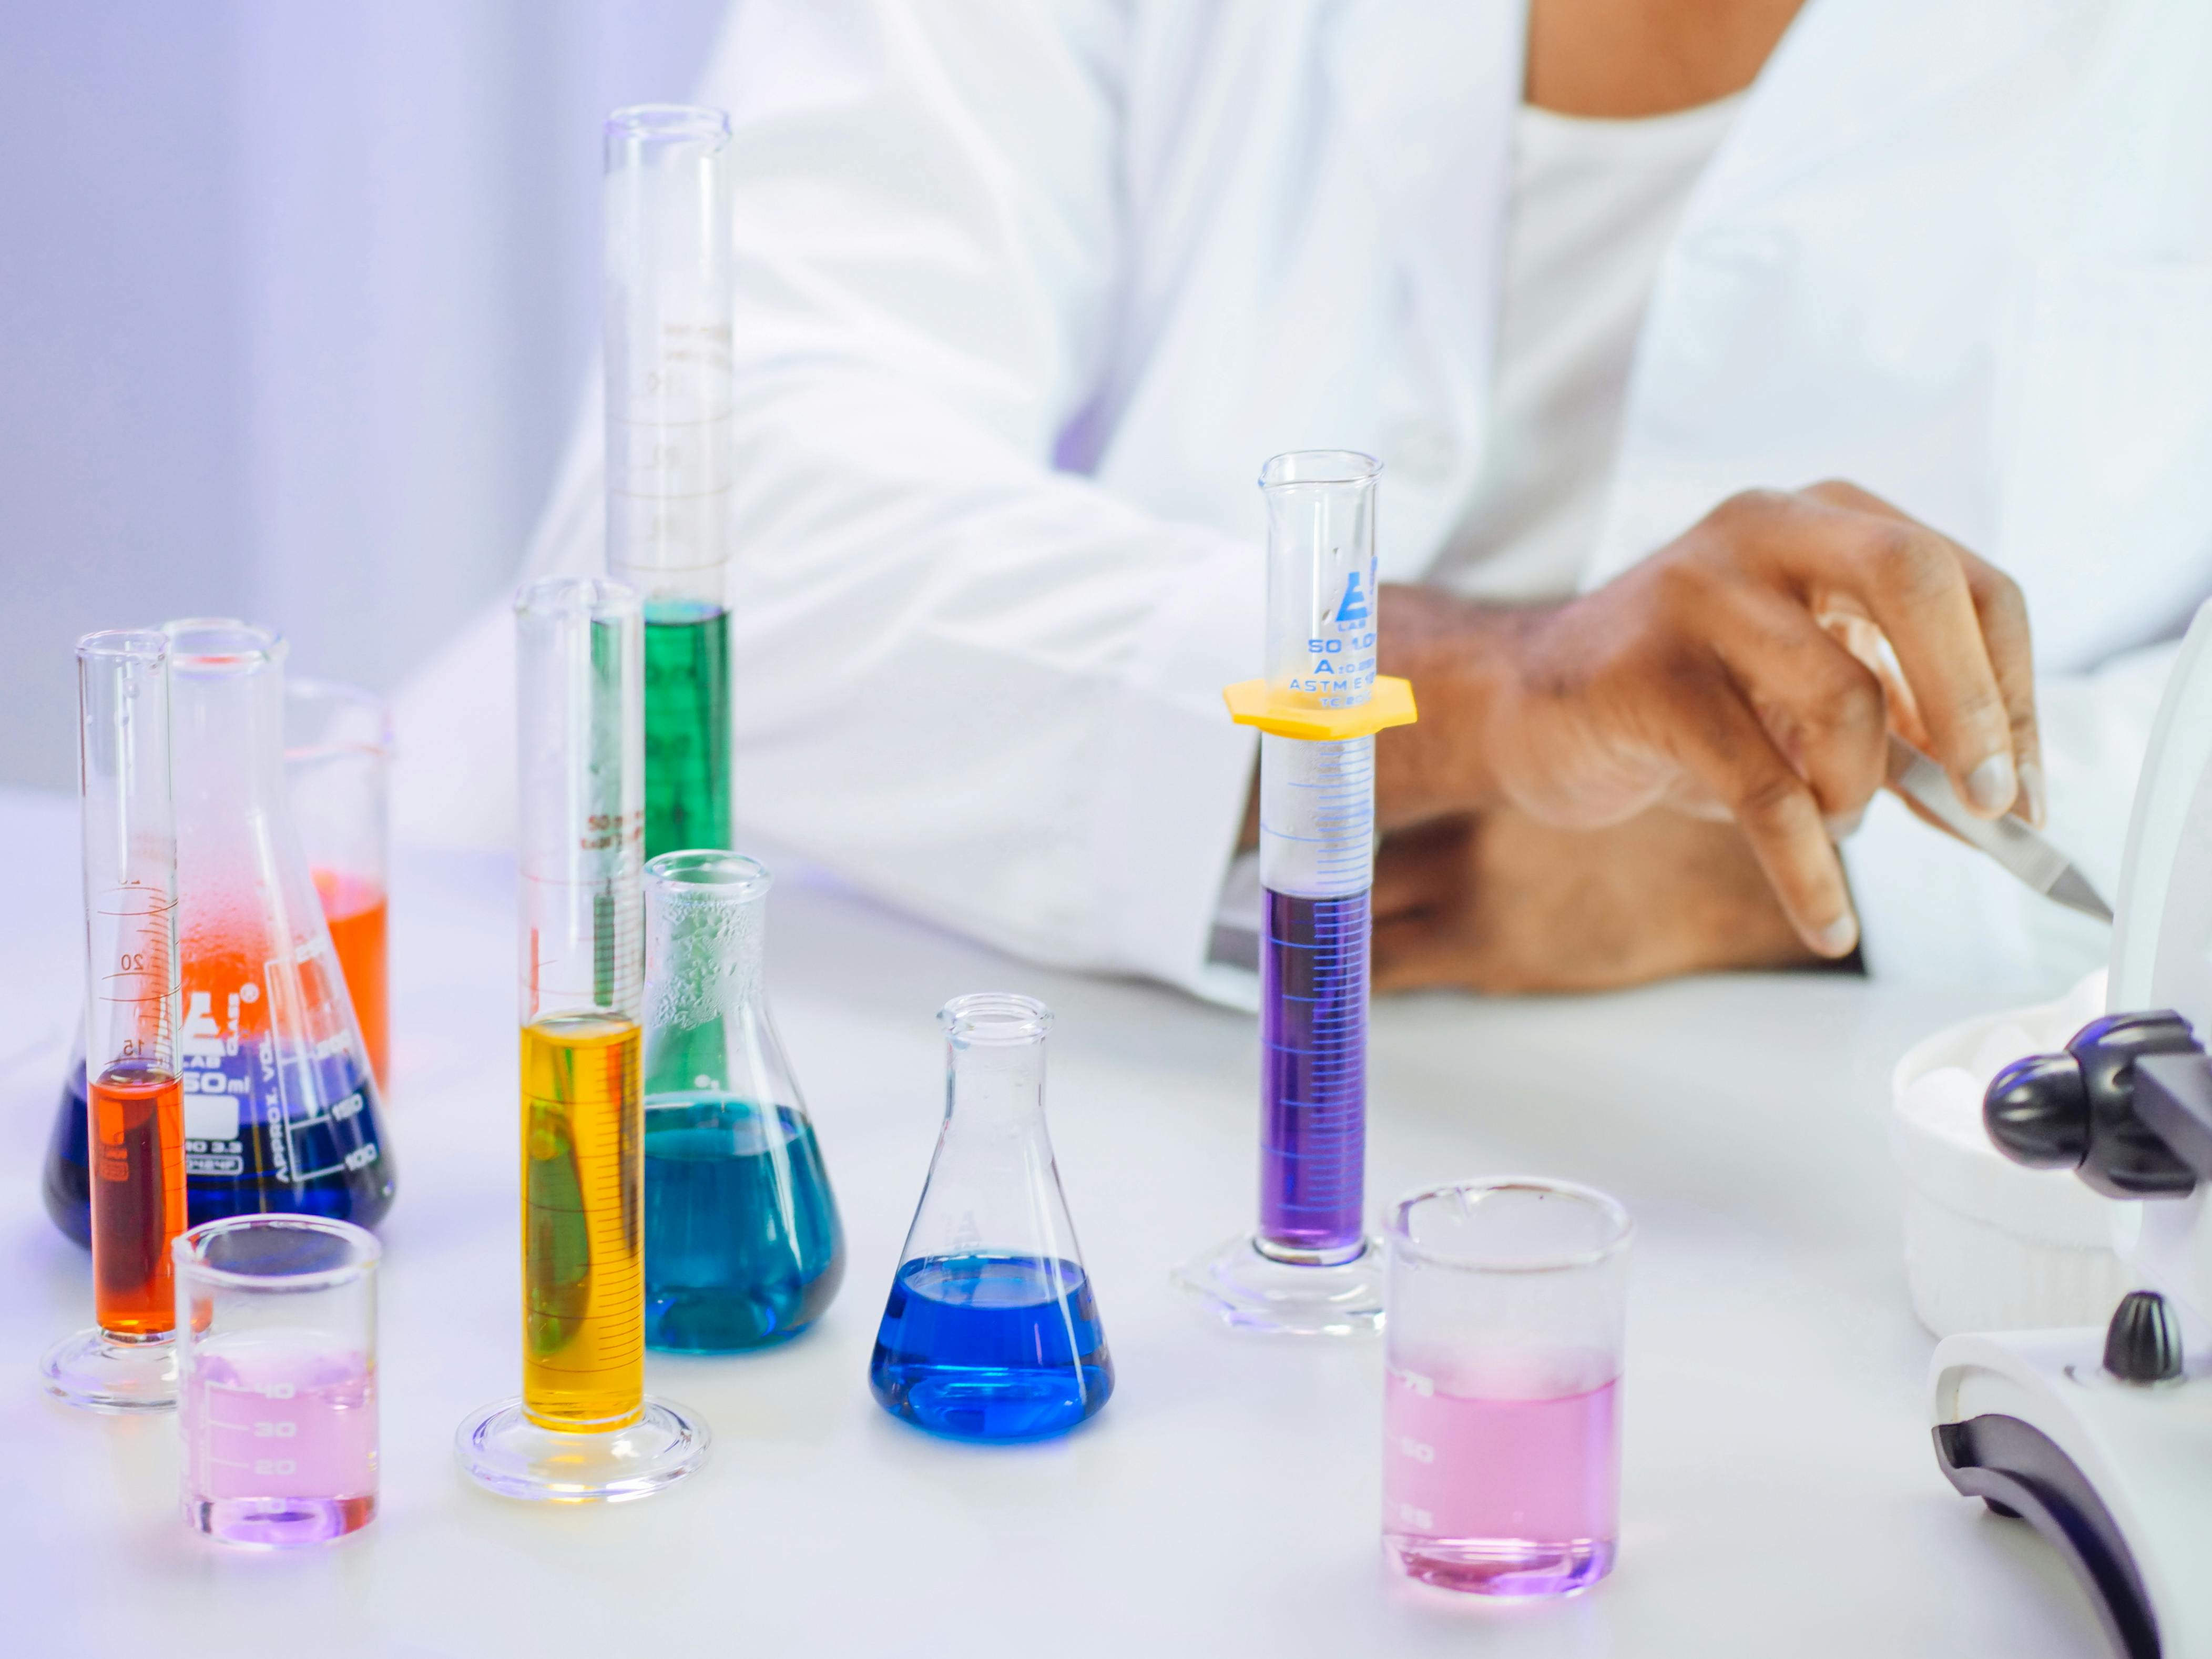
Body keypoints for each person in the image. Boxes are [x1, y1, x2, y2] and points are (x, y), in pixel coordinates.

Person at [397, 0, 2212, 1003]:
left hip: (1815, 1156)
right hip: (945, 1025)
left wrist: (1781, 871)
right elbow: (708, 515)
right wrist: (1483, 700)